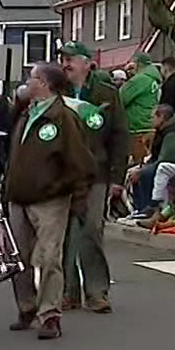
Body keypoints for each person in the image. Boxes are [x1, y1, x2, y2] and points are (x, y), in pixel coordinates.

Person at [5, 63, 97, 339]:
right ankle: (27, 307)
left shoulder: (63, 118)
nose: (27, 83)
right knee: (17, 258)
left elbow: (80, 161)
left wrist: (78, 197)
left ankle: (49, 314)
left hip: (50, 199)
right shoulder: (25, 115)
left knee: (48, 258)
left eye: (32, 78)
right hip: (18, 197)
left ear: (44, 83)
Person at [56, 44, 128, 312]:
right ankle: (68, 291)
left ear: (87, 63)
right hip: (63, 173)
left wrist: (117, 178)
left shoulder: (106, 93)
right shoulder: (55, 92)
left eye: (71, 59)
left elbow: (120, 136)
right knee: (66, 233)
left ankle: (97, 291)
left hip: (96, 173)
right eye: (62, 59)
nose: (66, 64)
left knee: (91, 230)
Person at [126, 104, 175, 219]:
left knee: (144, 174)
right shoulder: (162, 131)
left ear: (161, 117)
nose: (151, 121)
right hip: (159, 162)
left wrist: (142, 170)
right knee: (132, 172)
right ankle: (138, 208)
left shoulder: (173, 133)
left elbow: (166, 158)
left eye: (153, 117)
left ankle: (149, 207)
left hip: (174, 165)